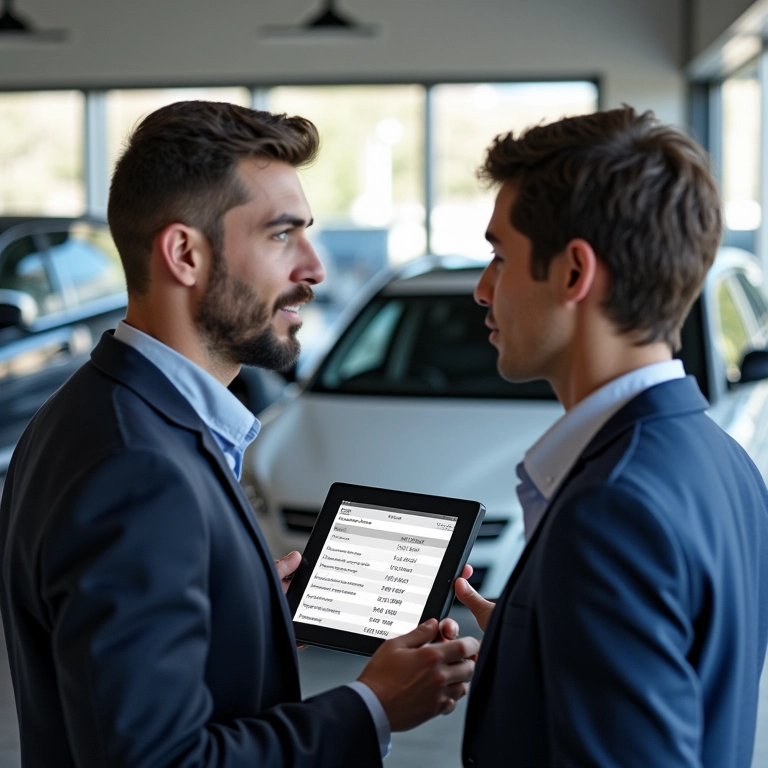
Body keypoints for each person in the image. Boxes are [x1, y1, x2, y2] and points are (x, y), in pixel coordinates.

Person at [0, 100, 479, 768]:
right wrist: (370, 706)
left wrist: (249, 614)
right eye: (283, 235)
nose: (314, 268)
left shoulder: (91, 411)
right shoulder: (136, 465)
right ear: (185, 254)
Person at [454, 106, 768, 767]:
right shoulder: (724, 459)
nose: (483, 290)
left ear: (574, 272)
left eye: (499, 256)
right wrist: (527, 646)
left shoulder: (613, 509)